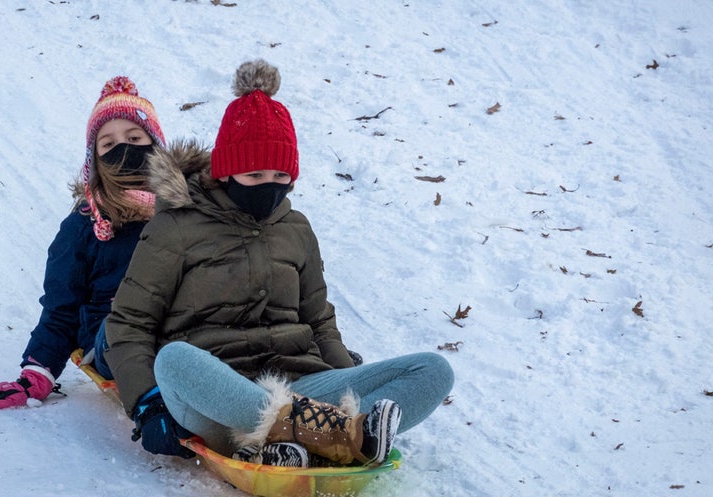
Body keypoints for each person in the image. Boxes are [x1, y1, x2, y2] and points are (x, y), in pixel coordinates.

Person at [104, 59, 454, 468]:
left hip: (303, 385)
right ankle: (338, 435)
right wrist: (147, 403)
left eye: (280, 175)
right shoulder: (177, 227)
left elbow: (319, 319)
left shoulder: (296, 229)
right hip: (222, 400)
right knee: (174, 360)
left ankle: (310, 437)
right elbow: (130, 324)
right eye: (254, 175)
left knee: (433, 371)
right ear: (226, 171)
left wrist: (346, 382)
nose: (269, 185)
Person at [0, 76, 167, 409]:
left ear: (156, 145)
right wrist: (36, 373)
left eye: (134, 137)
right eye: (109, 144)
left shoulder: (184, 211)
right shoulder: (84, 224)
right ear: (96, 160)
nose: (124, 149)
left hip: (176, 331)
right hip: (113, 337)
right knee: (130, 331)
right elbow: (62, 307)